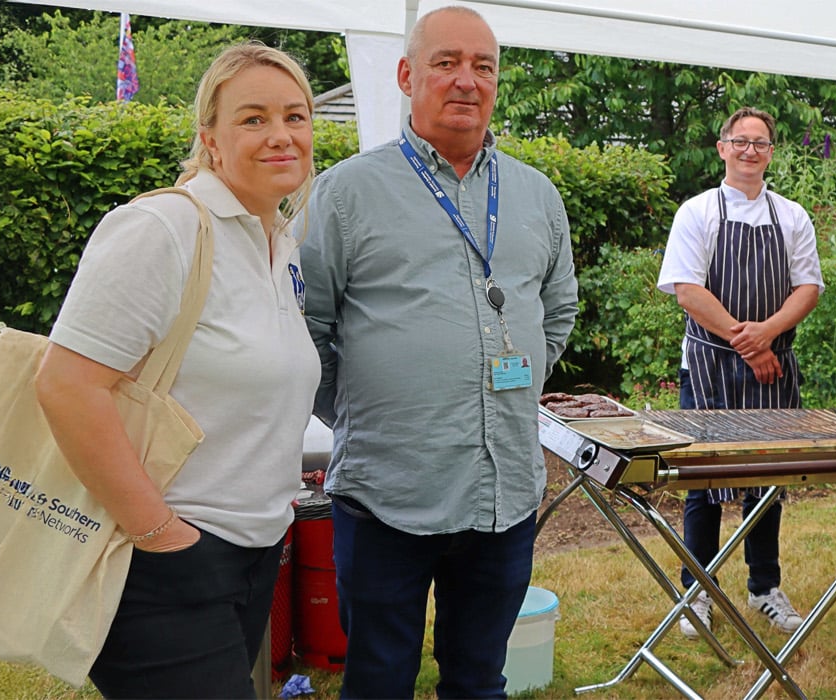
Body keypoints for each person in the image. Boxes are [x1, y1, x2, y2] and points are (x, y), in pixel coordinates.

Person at [299, 6, 578, 698]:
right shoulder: (343, 195)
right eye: (446, 63)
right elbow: (307, 330)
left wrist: (511, 385)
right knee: (379, 678)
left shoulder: (536, 196)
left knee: (480, 679)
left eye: (483, 66)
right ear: (406, 75)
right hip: (387, 491)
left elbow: (558, 309)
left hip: (503, 494)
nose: (466, 80)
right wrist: (370, 409)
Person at [35, 43, 319, 697]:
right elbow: (66, 384)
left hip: (249, 559)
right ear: (210, 141)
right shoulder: (163, 228)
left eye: (295, 117)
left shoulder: (278, 241)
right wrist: (165, 537)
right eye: (252, 119)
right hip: (163, 564)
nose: (281, 135)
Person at [656, 106, 823, 639]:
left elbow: (808, 288)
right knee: (700, 482)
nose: (750, 150)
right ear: (722, 148)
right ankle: (696, 592)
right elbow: (687, 289)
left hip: (774, 365)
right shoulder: (697, 212)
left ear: (771, 152)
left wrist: (766, 335)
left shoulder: (793, 216)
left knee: (768, 482)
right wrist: (746, 342)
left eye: (760, 143)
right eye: (740, 141)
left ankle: (764, 588)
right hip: (708, 365)